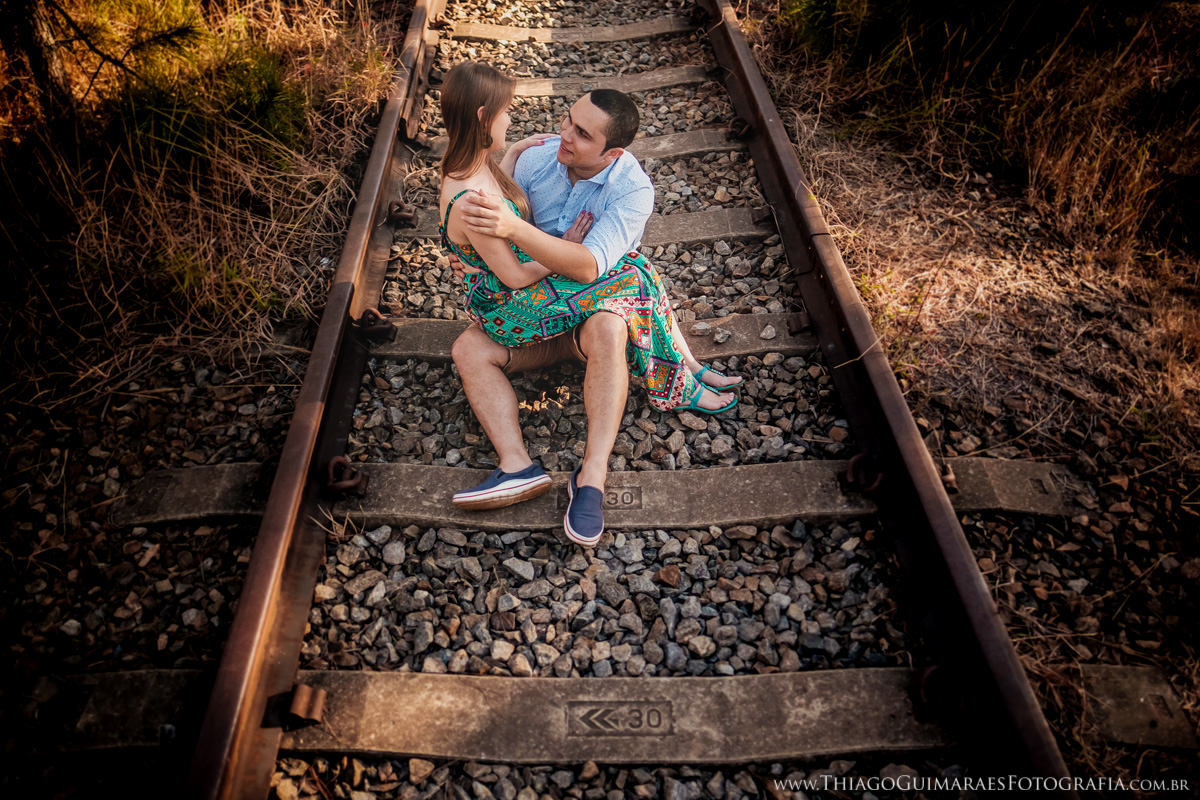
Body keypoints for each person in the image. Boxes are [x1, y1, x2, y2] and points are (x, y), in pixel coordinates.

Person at [437, 62, 742, 545]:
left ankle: (592, 475)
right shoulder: (535, 158)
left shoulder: (631, 190)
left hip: (564, 310)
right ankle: (676, 376)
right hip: (522, 308)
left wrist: (509, 225)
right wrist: (482, 251)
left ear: (612, 152)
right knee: (633, 273)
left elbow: (583, 266)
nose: (563, 135)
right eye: (567, 120)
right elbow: (517, 257)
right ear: (483, 117)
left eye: (580, 133)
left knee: (619, 300)